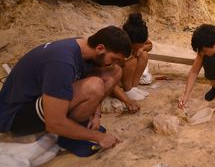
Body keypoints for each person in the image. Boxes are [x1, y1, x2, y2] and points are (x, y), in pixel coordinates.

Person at [0, 26, 132, 150]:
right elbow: (54, 122)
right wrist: (99, 137)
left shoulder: (83, 49)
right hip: (14, 117)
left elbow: (100, 72)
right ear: (100, 48)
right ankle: (65, 133)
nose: (114, 62)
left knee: (115, 71)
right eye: (114, 58)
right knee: (94, 86)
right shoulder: (62, 62)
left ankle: (71, 127)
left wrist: (96, 114)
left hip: (35, 102)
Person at [111, 13, 153, 113]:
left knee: (144, 55)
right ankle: (127, 90)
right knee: (133, 60)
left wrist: (141, 48)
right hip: (115, 76)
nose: (138, 47)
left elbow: (150, 45)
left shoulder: (137, 34)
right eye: (136, 46)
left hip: (126, 74)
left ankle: (133, 87)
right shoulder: (118, 41)